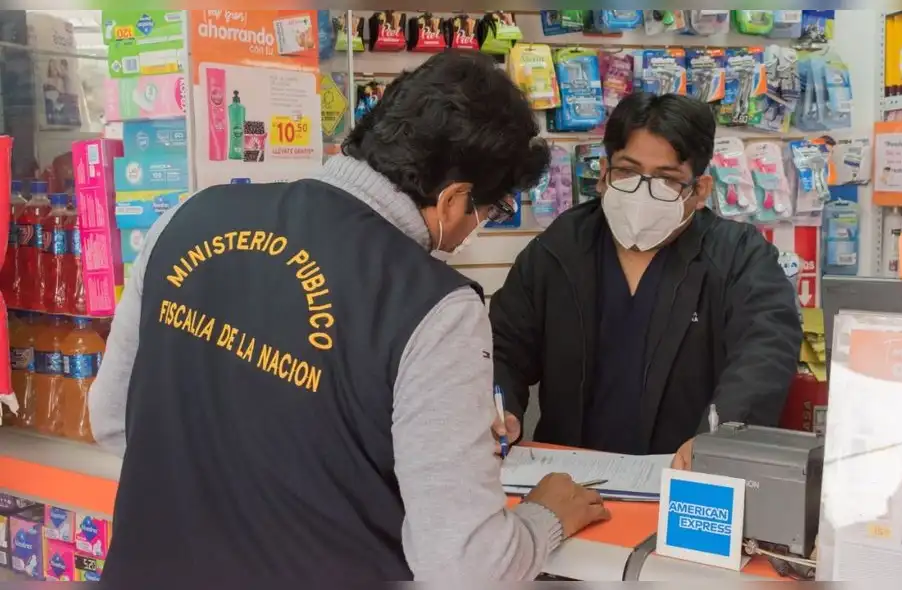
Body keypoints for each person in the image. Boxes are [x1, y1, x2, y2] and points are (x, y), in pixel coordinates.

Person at [88, 51, 609, 586]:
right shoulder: (435, 305)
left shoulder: (189, 215)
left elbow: (111, 418)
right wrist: (547, 517)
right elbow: (464, 565)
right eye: (489, 211)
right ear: (454, 200)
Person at [489, 92, 802, 467]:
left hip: (688, 484)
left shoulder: (737, 257)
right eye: (627, 171)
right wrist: (500, 407)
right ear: (604, 175)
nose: (642, 191)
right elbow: (503, 346)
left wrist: (719, 440)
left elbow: (766, 351)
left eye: (667, 179)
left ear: (699, 190)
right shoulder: (560, 248)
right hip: (568, 483)